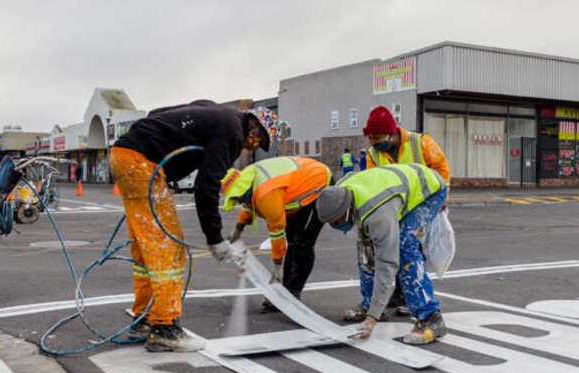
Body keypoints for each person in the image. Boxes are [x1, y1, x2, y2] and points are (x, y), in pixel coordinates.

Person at [110, 100, 279, 352]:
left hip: (124, 155)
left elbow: (157, 112)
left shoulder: (214, 112)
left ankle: (144, 317)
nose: (251, 146)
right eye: (256, 140)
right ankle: (164, 327)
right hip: (141, 163)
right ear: (253, 126)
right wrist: (215, 238)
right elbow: (206, 187)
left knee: (146, 246)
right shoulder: (232, 133)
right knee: (168, 246)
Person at [315, 163, 449, 345]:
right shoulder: (341, 190)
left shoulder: (379, 215)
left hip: (430, 189)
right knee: (365, 248)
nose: (337, 226)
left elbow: (387, 264)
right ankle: (372, 303)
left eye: (337, 221)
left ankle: (431, 317)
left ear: (347, 210)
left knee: (403, 245)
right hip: (391, 191)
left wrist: (372, 319)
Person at [350, 105, 451, 319]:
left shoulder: (420, 142)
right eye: (371, 138)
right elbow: (371, 183)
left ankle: (422, 308)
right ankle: (379, 301)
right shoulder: (373, 154)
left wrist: (442, 203)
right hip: (396, 203)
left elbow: (441, 169)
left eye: (378, 137)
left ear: (392, 133)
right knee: (375, 246)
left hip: (424, 198)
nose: (375, 143)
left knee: (407, 242)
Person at [220, 156, 332, 311]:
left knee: (302, 242)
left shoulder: (267, 195)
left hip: (316, 183)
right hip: (294, 183)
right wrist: (237, 230)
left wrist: (277, 268)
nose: (238, 202)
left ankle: (293, 292)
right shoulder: (248, 180)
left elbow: (277, 233)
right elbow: (248, 205)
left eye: (238, 198)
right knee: (293, 240)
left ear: (243, 191)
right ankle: (284, 292)